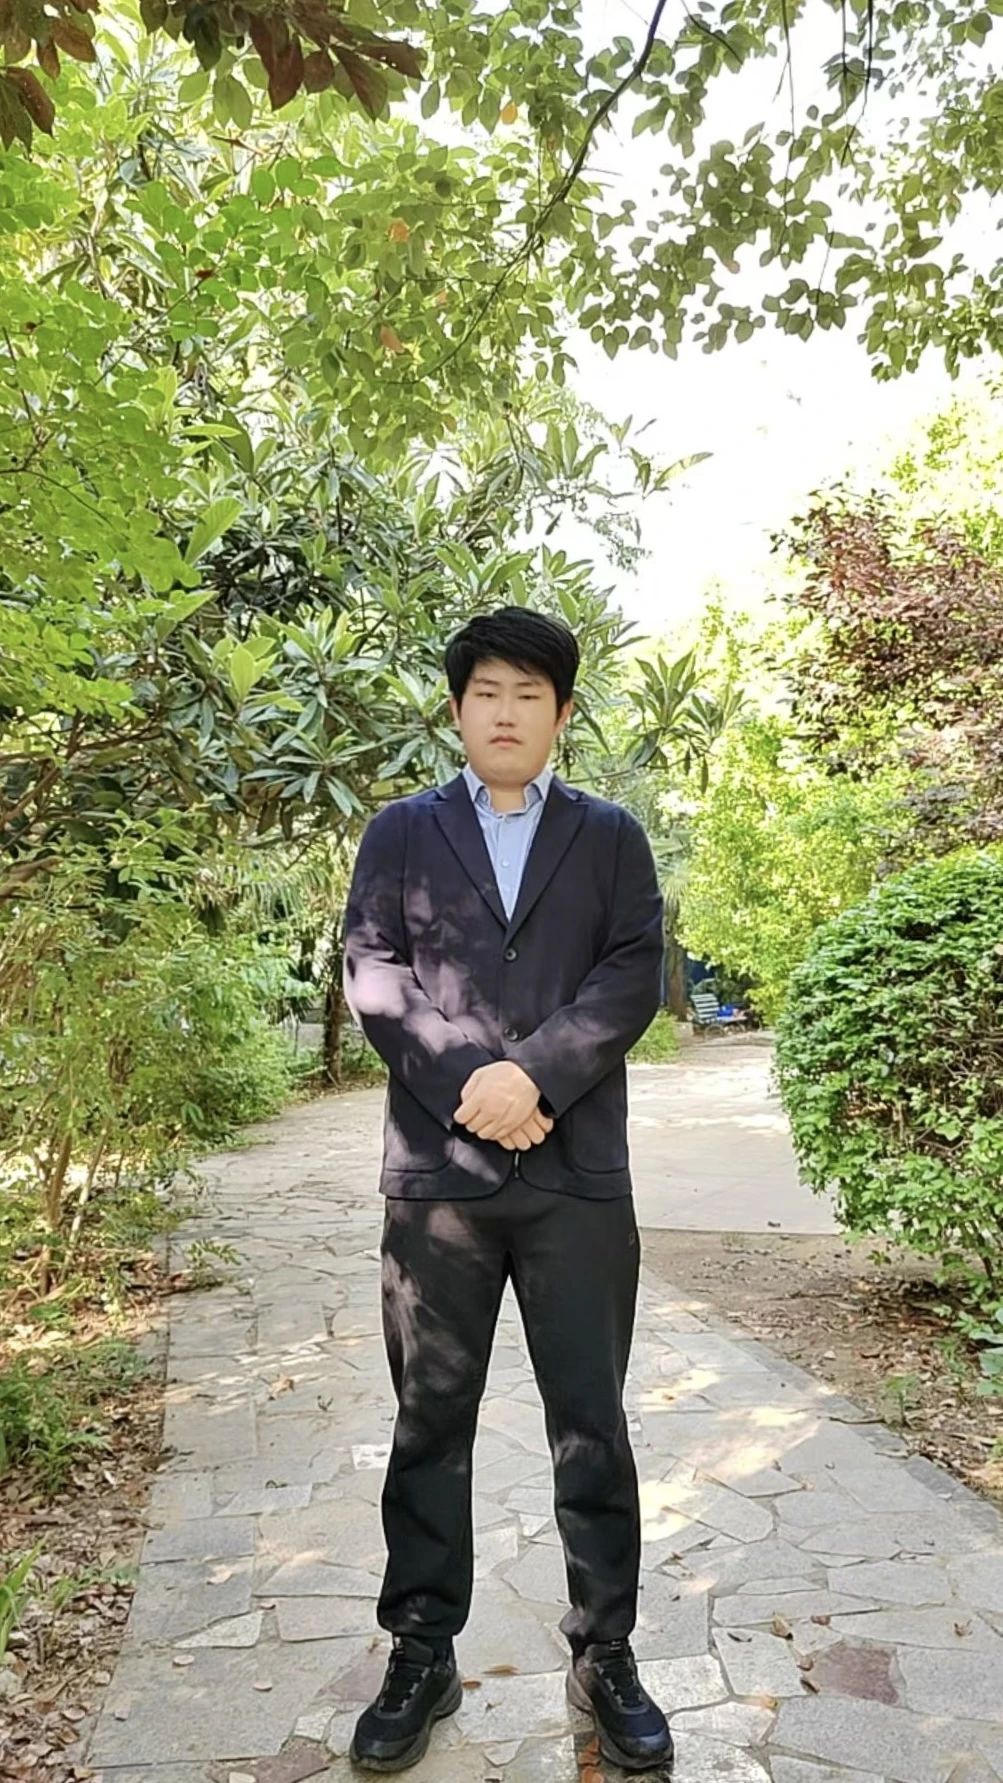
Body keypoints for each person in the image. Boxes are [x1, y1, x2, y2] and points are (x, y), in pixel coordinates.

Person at [342, 606, 672, 1774]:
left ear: (561, 714)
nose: (504, 712)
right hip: (440, 1181)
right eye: (486, 691)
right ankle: (421, 1651)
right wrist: (467, 1084)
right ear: (456, 708)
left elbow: (633, 970)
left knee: (591, 1421)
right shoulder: (400, 831)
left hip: (576, 1177)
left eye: (529, 694)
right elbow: (372, 971)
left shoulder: (611, 836)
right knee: (429, 1420)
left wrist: (532, 1075)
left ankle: (605, 1652)